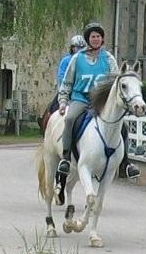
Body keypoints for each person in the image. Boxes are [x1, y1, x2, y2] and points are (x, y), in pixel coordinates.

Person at [57, 22, 140, 179]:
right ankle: (66, 158)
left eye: (98, 36)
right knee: (70, 119)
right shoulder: (77, 58)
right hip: (81, 99)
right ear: (88, 39)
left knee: (123, 126)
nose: (95, 39)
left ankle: (126, 163)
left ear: (102, 39)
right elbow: (67, 82)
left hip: (102, 102)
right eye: (93, 36)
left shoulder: (108, 58)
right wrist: (63, 101)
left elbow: (117, 83)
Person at [38, 35, 87, 136]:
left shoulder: (85, 61)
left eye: (82, 48)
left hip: (80, 92)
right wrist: (65, 92)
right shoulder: (66, 60)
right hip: (67, 91)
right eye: (77, 47)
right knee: (54, 107)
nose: (79, 50)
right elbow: (61, 76)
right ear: (72, 48)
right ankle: (47, 126)